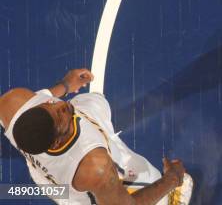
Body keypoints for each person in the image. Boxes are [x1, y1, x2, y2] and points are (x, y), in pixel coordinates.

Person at [0, 68, 193, 205]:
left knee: (95, 102)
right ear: (57, 140)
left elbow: (44, 100)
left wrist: (65, 85)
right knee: (147, 177)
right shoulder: (94, 166)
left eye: (48, 104)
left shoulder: (13, 104)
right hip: (80, 187)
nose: (60, 105)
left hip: (50, 179)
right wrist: (172, 179)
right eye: (60, 115)